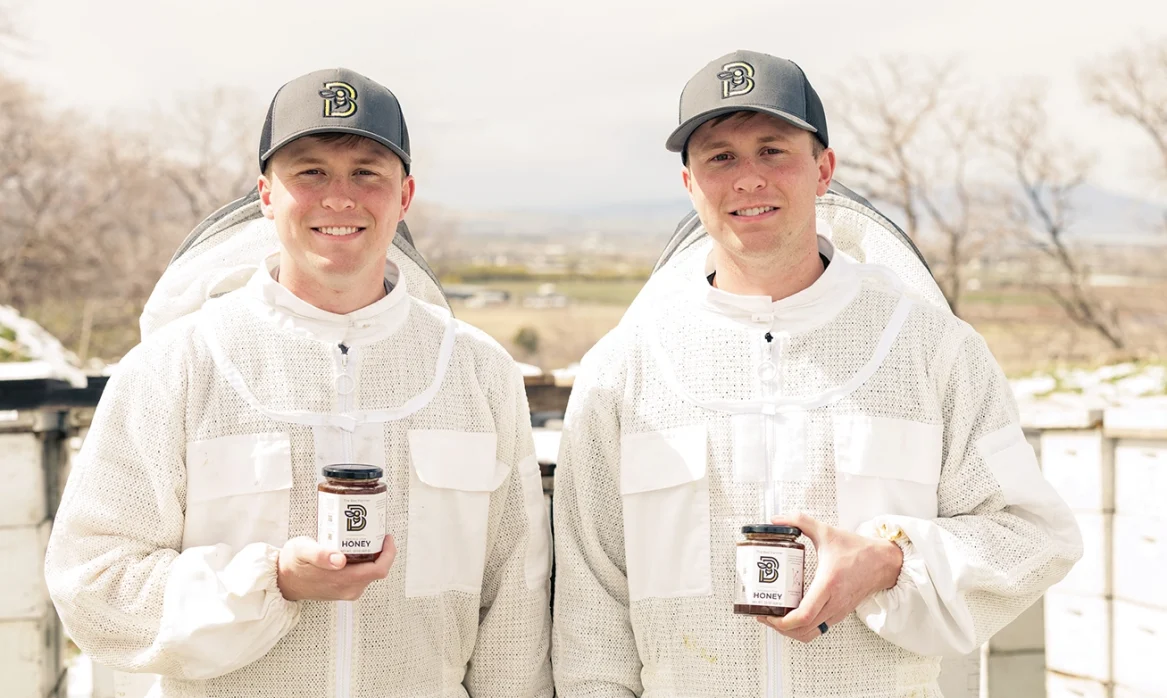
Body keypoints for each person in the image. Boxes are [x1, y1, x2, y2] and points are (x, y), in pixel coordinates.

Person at [550, 50, 1081, 697]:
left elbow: (1032, 535)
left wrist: (890, 561)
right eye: (720, 156)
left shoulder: (927, 346)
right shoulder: (624, 370)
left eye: (772, 150)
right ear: (689, 184)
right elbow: (590, 609)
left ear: (823, 169)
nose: (748, 177)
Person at [45, 67, 552, 698]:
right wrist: (270, 582)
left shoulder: (478, 371)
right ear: (265, 194)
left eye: (367, 171)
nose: (339, 197)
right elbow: (92, 581)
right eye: (309, 171)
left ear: (405, 194)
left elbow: (515, 600)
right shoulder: (176, 365)